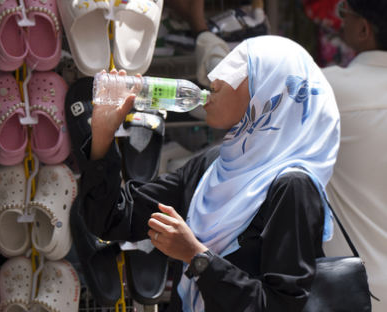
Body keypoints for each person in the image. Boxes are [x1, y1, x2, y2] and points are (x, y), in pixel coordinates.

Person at [76, 35, 340, 311]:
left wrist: (197, 257)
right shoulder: (213, 166)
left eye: (234, 68)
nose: (214, 80)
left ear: (267, 91)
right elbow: (112, 219)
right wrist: (102, 138)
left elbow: (280, 306)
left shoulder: (292, 187)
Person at [322, 0, 387, 309]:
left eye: (343, 14)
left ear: (364, 29)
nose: (340, 22)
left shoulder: (330, 89)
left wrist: (205, 35)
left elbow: (238, 99)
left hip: (354, 290)